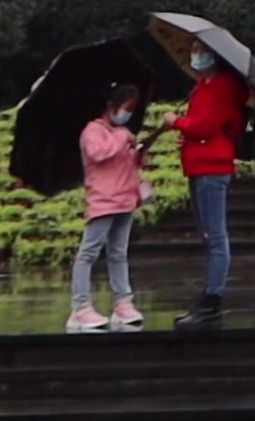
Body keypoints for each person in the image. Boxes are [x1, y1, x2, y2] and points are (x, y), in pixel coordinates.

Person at [161, 44, 246, 331]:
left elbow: (204, 126)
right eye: (194, 50)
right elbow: (198, 128)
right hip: (198, 164)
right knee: (208, 235)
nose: (195, 55)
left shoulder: (224, 86)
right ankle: (207, 299)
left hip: (212, 166)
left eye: (201, 50)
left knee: (216, 236)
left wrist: (177, 122)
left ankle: (211, 301)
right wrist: (186, 132)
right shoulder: (202, 87)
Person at [66, 84, 146, 332]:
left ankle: (123, 302)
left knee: (118, 253)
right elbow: (99, 153)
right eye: (126, 108)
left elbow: (127, 164)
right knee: (89, 252)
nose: (129, 114)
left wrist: (138, 151)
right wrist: (122, 137)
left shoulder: (122, 132)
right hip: (103, 201)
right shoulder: (93, 131)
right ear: (111, 106)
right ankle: (80, 307)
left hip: (125, 200)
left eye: (132, 109)